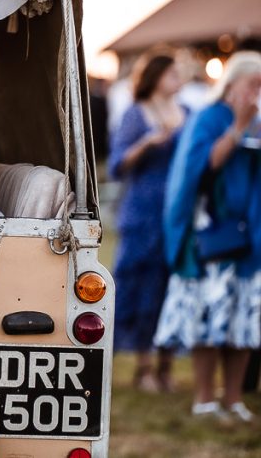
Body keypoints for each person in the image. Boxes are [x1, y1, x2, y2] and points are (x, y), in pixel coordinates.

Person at [154, 50, 261, 422]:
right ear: (232, 84)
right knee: (207, 320)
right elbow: (200, 169)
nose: (258, 93)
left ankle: (233, 399)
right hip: (210, 237)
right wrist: (238, 127)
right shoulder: (209, 118)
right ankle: (204, 398)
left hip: (251, 239)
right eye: (254, 85)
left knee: (242, 322)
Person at [107, 50, 186, 391]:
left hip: (178, 211)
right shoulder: (135, 114)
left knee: (173, 286)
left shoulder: (188, 112)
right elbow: (116, 165)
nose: (178, 80)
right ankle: (143, 367)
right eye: (172, 74)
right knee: (142, 287)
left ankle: (167, 365)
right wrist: (148, 143)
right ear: (155, 77)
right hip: (143, 211)